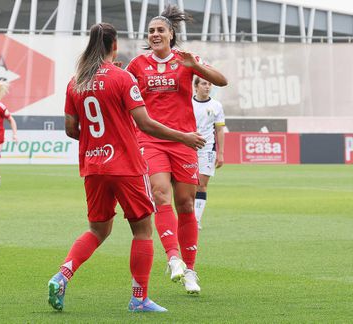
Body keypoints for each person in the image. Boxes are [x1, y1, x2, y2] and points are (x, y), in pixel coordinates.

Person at [47, 23, 205, 313]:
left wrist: (97, 140)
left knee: (97, 229)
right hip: (125, 166)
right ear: (114, 45)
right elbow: (145, 124)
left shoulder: (76, 82)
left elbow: (71, 128)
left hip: (93, 166)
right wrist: (184, 137)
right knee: (143, 231)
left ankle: (62, 276)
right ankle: (139, 298)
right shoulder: (122, 78)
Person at [125, 5, 228, 294]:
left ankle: (191, 270)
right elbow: (122, 93)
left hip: (185, 141)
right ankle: (173, 258)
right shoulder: (137, 65)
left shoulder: (186, 60)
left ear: (172, 34)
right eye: (151, 31)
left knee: (186, 205)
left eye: (160, 30)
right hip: (150, 140)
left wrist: (195, 66)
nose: (155, 34)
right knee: (160, 194)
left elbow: (222, 80)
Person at [192, 77, 226, 230]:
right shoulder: (187, 103)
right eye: (204, 84)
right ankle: (188, 216)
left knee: (202, 185)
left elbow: (219, 130)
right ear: (196, 86)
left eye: (209, 84)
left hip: (207, 149)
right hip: (187, 147)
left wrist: (221, 153)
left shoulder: (216, 106)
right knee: (188, 186)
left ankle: (196, 220)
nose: (207, 87)